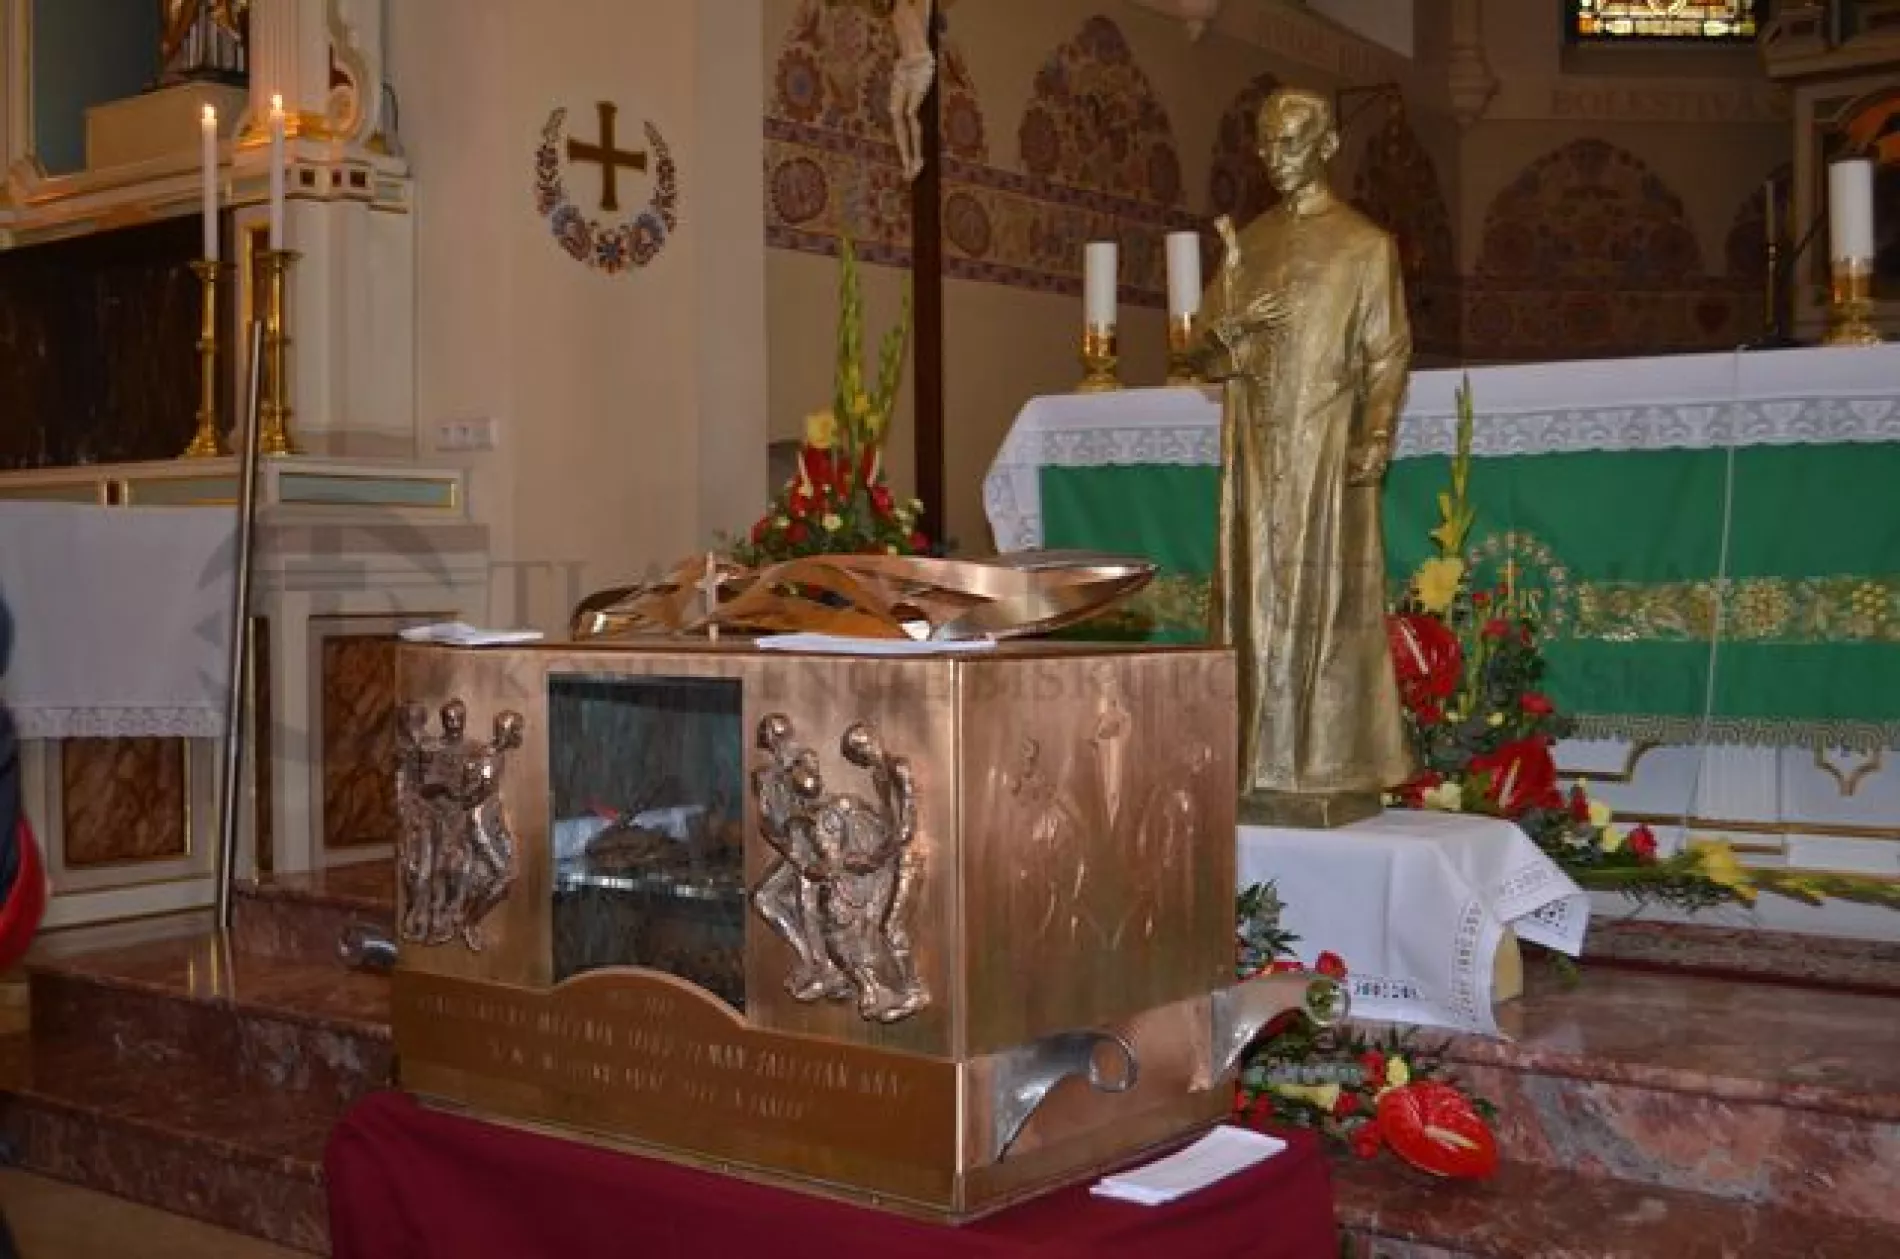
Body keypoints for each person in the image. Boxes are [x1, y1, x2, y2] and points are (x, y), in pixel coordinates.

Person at [1196, 87, 1417, 830]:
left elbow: (1387, 353)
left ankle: (1325, 763)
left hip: (1324, 446)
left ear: (1327, 145)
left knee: (1326, 600)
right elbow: (1201, 352)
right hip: (1256, 452)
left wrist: (1375, 433)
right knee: (1253, 593)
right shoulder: (1249, 242)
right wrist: (1229, 331)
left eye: (1291, 142)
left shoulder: (1364, 245)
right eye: (1266, 144)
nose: (1276, 158)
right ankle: (1251, 761)